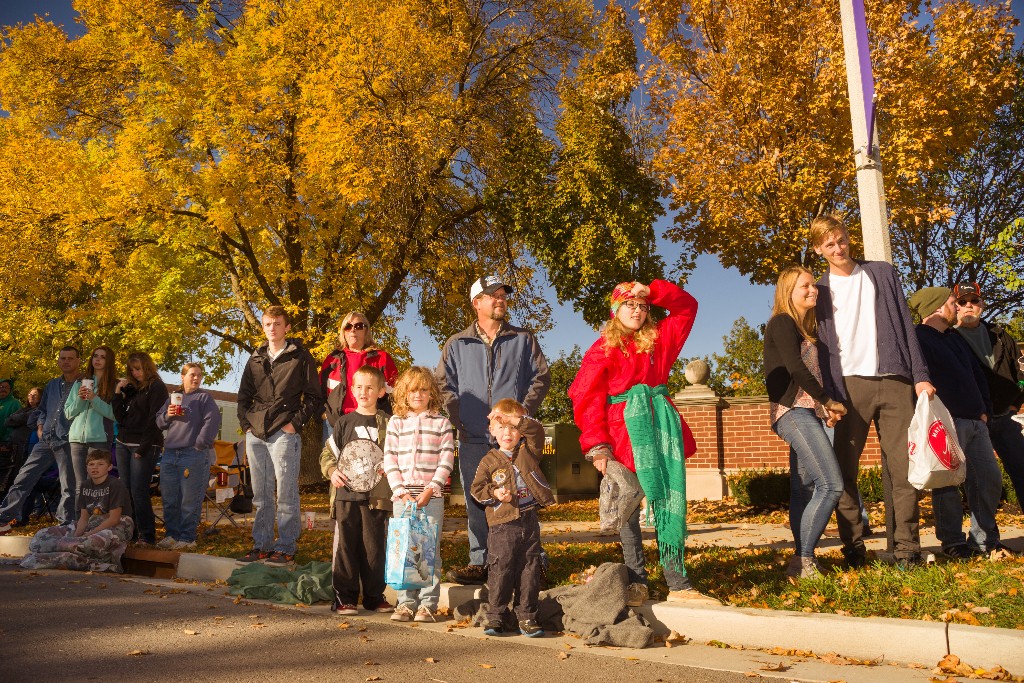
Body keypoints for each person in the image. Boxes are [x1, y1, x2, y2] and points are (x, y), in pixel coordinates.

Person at [569, 279, 713, 603]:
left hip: (660, 427)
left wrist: (654, 291)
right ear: (615, 309)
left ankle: (677, 580)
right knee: (629, 508)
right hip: (622, 434)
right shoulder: (602, 349)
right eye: (629, 304)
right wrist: (598, 446)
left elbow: (688, 307)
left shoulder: (659, 339)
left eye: (642, 305)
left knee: (668, 500)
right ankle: (637, 581)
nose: (636, 309)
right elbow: (585, 397)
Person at [812, 214, 936, 568]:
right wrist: (826, 396)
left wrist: (920, 374)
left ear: (849, 239)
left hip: (895, 381)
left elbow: (905, 327)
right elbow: (819, 346)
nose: (838, 248)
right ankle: (853, 546)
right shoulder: (818, 290)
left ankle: (907, 548)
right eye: (829, 244)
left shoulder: (882, 273)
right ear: (819, 249)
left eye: (842, 240)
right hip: (847, 386)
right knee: (844, 472)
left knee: (904, 468)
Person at [436, 275, 550, 585]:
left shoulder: (523, 339)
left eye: (502, 295)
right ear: (476, 303)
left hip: (513, 439)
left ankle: (528, 562)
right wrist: (461, 419)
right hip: (473, 437)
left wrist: (518, 415)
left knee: (520, 498)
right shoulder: (457, 343)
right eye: (492, 295)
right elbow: (444, 386)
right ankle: (482, 562)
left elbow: (541, 378)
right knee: (479, 500)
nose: (500, 300)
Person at [909, 287, 1011, 559]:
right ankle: (953, 543)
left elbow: (977, 375)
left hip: (975, 422)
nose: (957, 307)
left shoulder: (955, 338)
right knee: (946, 485)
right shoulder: (919, 339)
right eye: (953, 303)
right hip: (947, 423)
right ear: (938, 307)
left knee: (989, 479)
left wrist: (984, 411)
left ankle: (983, 541)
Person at [764, 266, 847, 579]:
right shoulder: (782, 322)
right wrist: (827, 400)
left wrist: (824, 408)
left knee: (805, 489)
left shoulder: (804, 328)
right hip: (793, 412)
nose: (813, 290)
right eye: (806, 286)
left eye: (814, 285)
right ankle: (804, 560)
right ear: (789, 292)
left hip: (807, 412)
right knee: (831, 485)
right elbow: (796, 369)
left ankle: (801, 563)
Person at [236, 305, 323, 567]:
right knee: (261, 495)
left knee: (286, 494)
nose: (271, 328)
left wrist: (294, 424)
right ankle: (261, 545)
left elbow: (313, 397)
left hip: (284, 433)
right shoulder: (255, 358)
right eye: (267, 324)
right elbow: (243, 397)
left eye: (277, 324)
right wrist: (247, 424)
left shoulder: (300, 357)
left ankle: (285, 547)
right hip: (256, 434)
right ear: (263, 327)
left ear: (286, 327)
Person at [470, 399, 552, 637]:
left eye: (513, 427)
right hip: (502, 524)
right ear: (492, 430)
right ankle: (496, 616)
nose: (508, 432)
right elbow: (476, 490)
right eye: (501, 426)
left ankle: (526, 617)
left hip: (528, 520)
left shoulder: (529, 452)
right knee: (501, 568)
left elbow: (536, 430)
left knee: (530, 569)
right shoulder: (488, 461)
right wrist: (494, 493)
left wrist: (511, 417)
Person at [320, 365, 393, 615]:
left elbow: (396, 455)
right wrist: (332, 472)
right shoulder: (343, 423)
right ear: (352, 390)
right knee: (346, 547)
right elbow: (327, 454)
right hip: (346, 495)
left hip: (377, 497)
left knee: (374, 548)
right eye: (359, 387)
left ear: (381, 392)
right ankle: (344, 597)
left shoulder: (389, 424)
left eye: (370, 387)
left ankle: (374, 596)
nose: (364, 392)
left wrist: (391, 467)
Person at [383, 367, 455, 623]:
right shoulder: (396, 422)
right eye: (413, 390)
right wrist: (400, 491)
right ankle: (406, 603)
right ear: (404, 393)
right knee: (405, 551)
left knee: (428, 552)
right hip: (403, 498)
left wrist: (431, 489)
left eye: (424, 390)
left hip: (430, 497)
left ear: (431, 393)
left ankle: (427, 604)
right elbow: (389, 458)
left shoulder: (441, 423)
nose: (418, 394)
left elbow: (446, 459)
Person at [953, 282, 1024, 506]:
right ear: (955, 306)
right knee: (981, 481)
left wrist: (1015, 404)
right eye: (962, 302)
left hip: (1004, 417)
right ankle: (986, 539)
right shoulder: (949, 339)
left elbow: (1020, 372)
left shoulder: (1000, 335)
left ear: (981, 305)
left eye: (974, 301)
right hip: (972, 421)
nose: (968, 306)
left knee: (1022, 470)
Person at [0, 347, 81, 532]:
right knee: (23, 477)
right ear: (59, 361)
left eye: (70, 358)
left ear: (78, 361)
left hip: (68, 440)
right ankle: (3, 519)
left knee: (68, 484)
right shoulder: (52, 385)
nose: (66, 361)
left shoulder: (85, 383)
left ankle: (66, 524)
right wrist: (39, 425)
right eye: (63, 358)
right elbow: (42, 410)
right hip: (45, 440)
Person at [20, 449, 133, 573]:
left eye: (100, 464)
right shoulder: (85, 485)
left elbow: (114, 519)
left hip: (116, 526)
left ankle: (62, 554)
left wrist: (86, 536)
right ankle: (70, 554)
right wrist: (77, 536)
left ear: (109, 467)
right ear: (86, 467)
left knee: (90, 543)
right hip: (92, 523)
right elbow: (84, 518)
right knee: (39, 538)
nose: (95, 468)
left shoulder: (115, 484)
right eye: (91, 464)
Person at [154, 363, 221, 550]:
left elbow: (213, 421)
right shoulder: (174, 398)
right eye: (192, 374)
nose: (196, 378)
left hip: (193, 453)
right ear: (182, 377)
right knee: (169, 498)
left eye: (199, 375)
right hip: (170, 454)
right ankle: (172, 536)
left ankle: (187, 538)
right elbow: (159, 423)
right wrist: (167, 415)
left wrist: (199, 444)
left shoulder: (204, 398)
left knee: (189, 499)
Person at [111, 353, 169, 545]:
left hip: (145, 444)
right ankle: (131, 533)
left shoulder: (157, 387)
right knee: (126, 491)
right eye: (132, 370)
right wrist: (118, 393)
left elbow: (155, 420)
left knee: (139, 491)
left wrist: (143, 448)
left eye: (139, 369)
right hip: (123, 443)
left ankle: (147, 535)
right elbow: (120, 418)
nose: (135, 373)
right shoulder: (133, 389)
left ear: (148, 367)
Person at [320, 311, 399, 429]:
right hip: (336, 425)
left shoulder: (382, 358)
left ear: (366, 330)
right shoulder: (332, 359)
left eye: (358, 326)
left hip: (372, 426)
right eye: (348, 326)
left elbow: (395, 394)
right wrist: (323, 414)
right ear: (343, 332)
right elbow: (318, 390)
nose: (353, 330)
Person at [64, 345, 117, 511]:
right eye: (95, 356)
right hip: (76, 441)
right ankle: (80, 525)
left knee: (97, 484)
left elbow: (113, 414)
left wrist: (94, 399)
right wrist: (80, 398)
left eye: (103, 357)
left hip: (100, 440)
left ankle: (97, 524)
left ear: (109, 362)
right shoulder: (79, 382)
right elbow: (68, 413)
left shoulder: (114, 384)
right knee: (80, 485)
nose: (98, 359)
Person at [3, 386, 41, 495]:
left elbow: (26, 419)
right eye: (30, 395)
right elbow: (7, 422)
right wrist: (16, 419)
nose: (31, 397)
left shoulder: (39, 410)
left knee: (20, 474)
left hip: (26, 445)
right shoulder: (24, 409)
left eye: (35, 395)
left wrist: (15, 419)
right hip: (14, 446)